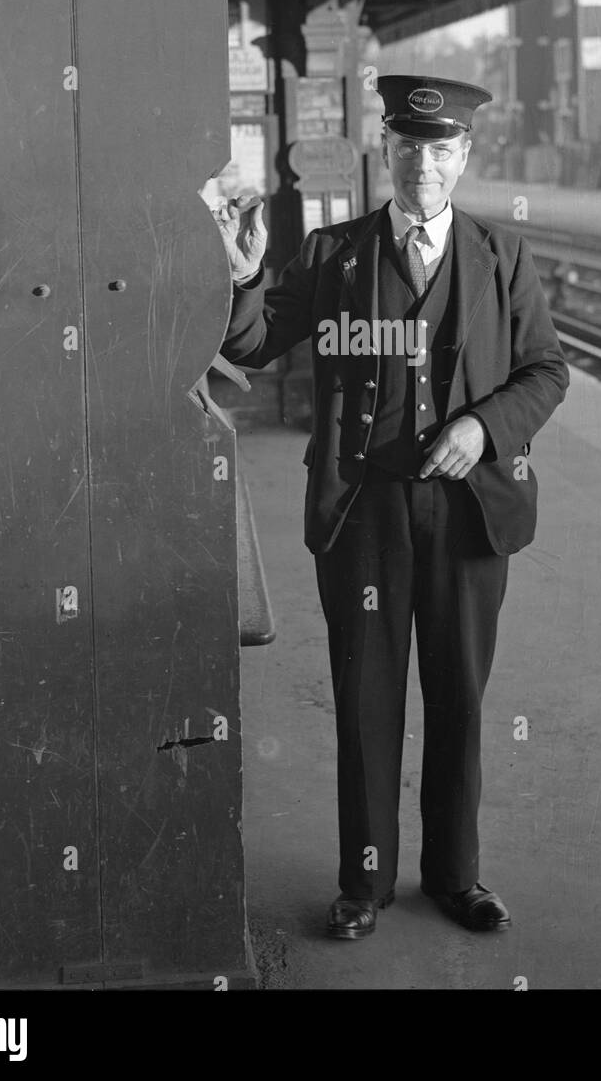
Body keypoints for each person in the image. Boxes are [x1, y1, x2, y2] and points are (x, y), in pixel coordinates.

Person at [214, 74, 569, 940]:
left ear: (464, 156)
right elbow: (252, 343)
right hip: (365, 514)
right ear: (387, 152)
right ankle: (363, 885)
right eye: (409, 148)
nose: (423, 166)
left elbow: (546, 371)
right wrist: (246, 275)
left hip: (468, 513)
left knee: (459, 697)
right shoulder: (337, 254)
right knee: (367, 702)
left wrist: (484, 429)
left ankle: (456, 877)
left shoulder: (500, 256)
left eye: (441, 149)